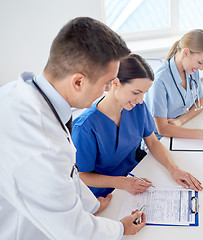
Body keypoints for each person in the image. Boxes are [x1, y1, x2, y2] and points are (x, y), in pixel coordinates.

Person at [0, 17, 146, 239]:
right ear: (78, 81)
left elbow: (68, 173)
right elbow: (73, 231)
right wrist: (120, 228)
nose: (108, 90)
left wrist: (92, 205)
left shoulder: (20, 93)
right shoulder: (42, 145)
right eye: (107, 83)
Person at [72, 53, 203, 198]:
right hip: (105, 192)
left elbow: (152, 142)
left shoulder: (136, 107)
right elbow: (82, 175)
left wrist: (173, 169)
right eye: (136, 92)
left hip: (136, 174)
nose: (140, 100)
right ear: (115, 83)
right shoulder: (85, 127)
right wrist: (122, 183)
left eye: (144, 93)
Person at [144, 29, 203, 140]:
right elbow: (163, 129)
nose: (201, 68)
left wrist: (180, 120)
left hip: (183, 129)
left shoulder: (191, 71)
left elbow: (200, 103)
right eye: (200, 62)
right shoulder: (160, 81)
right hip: (160, 140)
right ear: (185, 52)